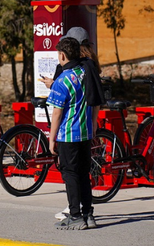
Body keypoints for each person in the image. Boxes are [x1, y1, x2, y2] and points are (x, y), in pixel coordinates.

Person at [39, 26, 105, 221]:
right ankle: (87, 213)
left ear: (63, 55)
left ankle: (74, 213)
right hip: (85, 129)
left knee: (70, 173)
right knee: (83, 173)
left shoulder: (70, 74)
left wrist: (52, 139)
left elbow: (58, 111)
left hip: (69, 132)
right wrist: (92, 125)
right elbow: (95, 99)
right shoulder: (87, 68)